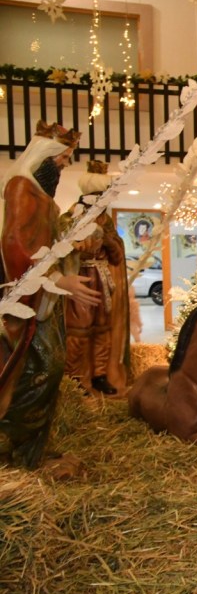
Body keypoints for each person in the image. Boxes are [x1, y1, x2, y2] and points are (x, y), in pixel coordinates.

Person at [1, 121, 102, 469]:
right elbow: (17, 247)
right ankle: (21, 454)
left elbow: (48, 244)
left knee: (49, 369)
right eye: (63, 157)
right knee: (40, 370)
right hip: (25, 302)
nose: (64, 165)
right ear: (45, 155)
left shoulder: (39, 195)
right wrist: (60, 280)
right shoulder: (20, 190)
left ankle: (33, 450)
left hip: (42, 301)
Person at [62, 160, 130, 396]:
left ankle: (100, 375)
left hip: (102, 280)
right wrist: (76, 245)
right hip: (80, 280)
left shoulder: (106, 221)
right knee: (78, 332)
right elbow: (60, 247)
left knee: (103, 330)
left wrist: (109, 242)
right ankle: (75, 379)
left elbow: (117, 256)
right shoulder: (70, 216)